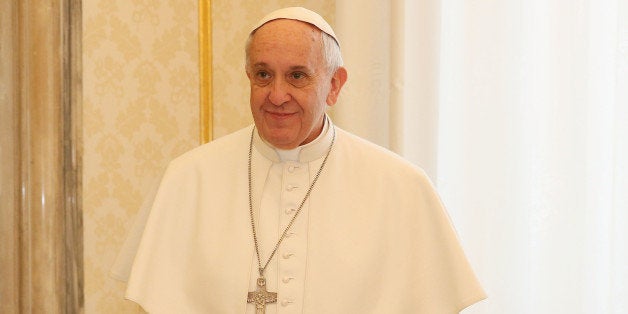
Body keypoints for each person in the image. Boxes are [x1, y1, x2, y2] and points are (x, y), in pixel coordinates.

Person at [112, 7, 486, 314]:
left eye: (297, 76)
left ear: (334, 85)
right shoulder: (187, 178)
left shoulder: (402, 187)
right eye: (263, 75)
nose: (277, 95)